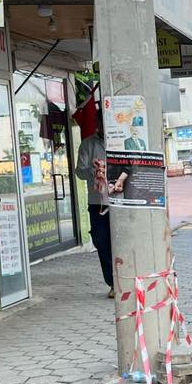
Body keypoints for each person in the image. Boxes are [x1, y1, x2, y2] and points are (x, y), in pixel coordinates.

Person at [72, 97, 113, 298]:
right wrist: (95, 172)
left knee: (120, 242)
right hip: (98, 201)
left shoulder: (120, 142)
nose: (105, 126)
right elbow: (79, 171)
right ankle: (112, 283)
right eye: (102, 123)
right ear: (98, 124)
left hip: (121, 201)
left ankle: (125, 280)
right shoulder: (88, 145)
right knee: (101, 241)